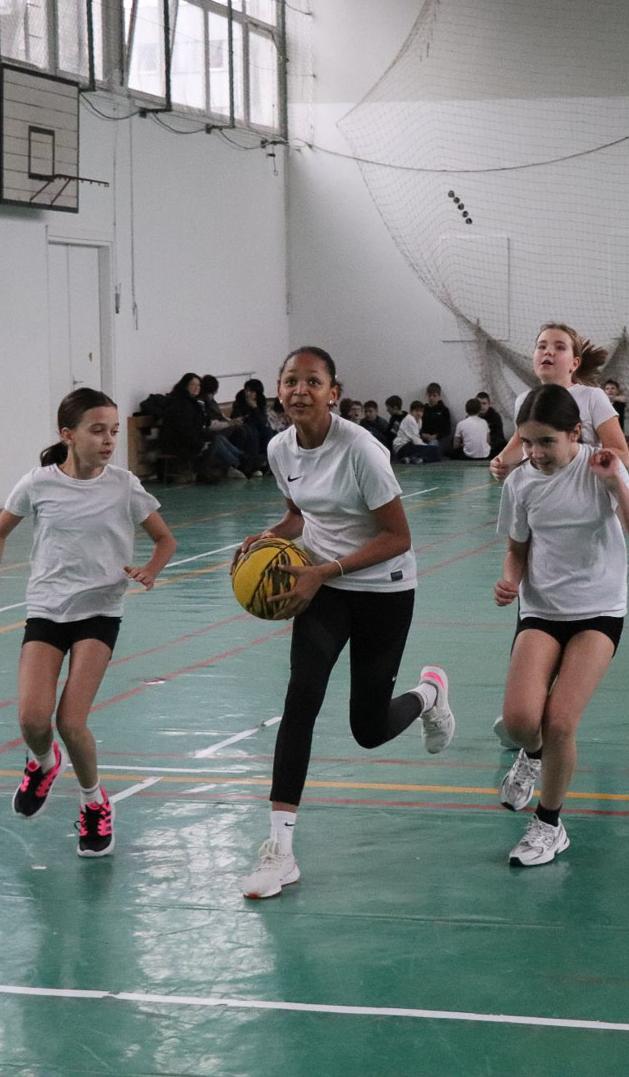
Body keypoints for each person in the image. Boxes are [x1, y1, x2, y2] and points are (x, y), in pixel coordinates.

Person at [234, 346, 455, 899]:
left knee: (368, 729)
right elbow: (299, 514)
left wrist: (325, 569)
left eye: (313, 381)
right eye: (291, 380)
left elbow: (398, 537)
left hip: (383, 589)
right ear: (278, 390)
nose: (300, 390)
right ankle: (279, 850)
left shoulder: (361, 450)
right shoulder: (279, 448)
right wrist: (270, 536)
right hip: (323, 590)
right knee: (301, 699)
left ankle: (429, 693)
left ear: (333, 393)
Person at [0, 388, 175, 856]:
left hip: (100, 612)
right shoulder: (38, 484)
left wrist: (151, 569)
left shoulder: (125, 486)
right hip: (47, 610)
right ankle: (44, 763)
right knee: (32, 718)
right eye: (97, 430)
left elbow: (165, 540)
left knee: (70, 719)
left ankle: (93, 802)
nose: (109, 440)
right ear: (68, 435)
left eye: (113, 431)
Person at [494, 385, 629, 866]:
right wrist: (509, 581)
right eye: (527, 442)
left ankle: (549, 824)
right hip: (541, 609)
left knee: (561, 721)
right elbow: (517, 550)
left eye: (546, 441)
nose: (535, 453)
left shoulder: (602, 467)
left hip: (599, 610)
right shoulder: (519, 484)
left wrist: (615, 485)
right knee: (521, 723)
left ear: (575, 433)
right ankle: (532, 753)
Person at [491, 325, 629, 482]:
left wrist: (572, 456)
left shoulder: (592, 397)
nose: (548, 352)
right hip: (543, 488)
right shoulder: (524, 400)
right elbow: (520, 442)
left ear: (574, 364)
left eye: (560, 347)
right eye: (542, 346)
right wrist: (501, 462)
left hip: (584, 487)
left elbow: (623, 457)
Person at [477, 391, 507, 457]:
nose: (481, 406)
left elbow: (499, 436)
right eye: (479, 404)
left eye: (484, 403)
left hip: (492, 444)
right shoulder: (471, 416)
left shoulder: (495, 416)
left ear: (489, 404)